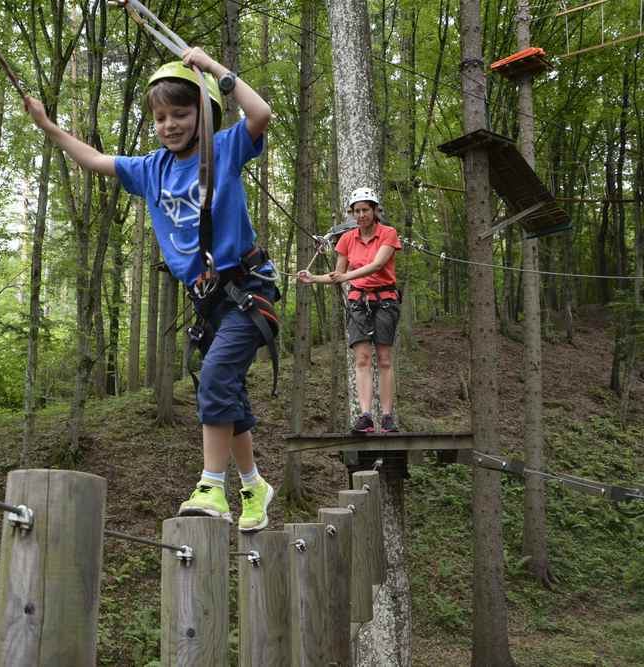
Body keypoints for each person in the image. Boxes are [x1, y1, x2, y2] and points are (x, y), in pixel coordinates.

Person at [25, 47, 277, 531]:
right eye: (161, 117)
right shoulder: (152, 168)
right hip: (210, 303)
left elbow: (261, 113)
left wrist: (215, 70)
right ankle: (253, 484)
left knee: (217, 380)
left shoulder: (223, 149)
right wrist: (47, 126)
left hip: (247, 291)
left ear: (204, 113)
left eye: (181, 114)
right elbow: (95, 159)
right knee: (230, 395)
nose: (170, 125)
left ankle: (210, 484)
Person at [297, 187, 402, 433]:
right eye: (357, 211)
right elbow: (337, 275)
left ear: (375, 211)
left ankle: (387, 417)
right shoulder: (347, 239)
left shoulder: (388, 234)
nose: (361, 215)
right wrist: (313, 278)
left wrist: (346, 276)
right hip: (358, 302)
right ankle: (366, 416)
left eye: (366, 210)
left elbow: (377, 266)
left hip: (385, 299)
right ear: (352, 214)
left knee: (385, 359)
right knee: (362, 359)